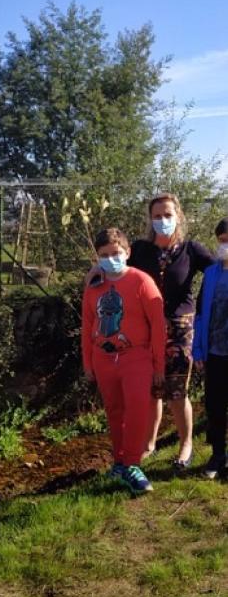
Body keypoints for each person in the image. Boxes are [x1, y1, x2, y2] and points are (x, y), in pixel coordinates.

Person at [128, 193, 213, 468]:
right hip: (146, 329)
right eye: (157, 216)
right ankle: (149, 444)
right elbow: (117, 267)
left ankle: (185, 445)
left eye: (167, 215)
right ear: (150, 219)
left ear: (178, 216)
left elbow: (218, 274)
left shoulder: (192, 250)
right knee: (152, 389)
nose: (162, 220)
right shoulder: (140, 250)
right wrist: (95, 272)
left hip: (180, 330)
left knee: (177, 391)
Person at [82, 228, 166, 493]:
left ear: (127, 252)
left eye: (116, 253)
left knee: (137, 408)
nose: (111, 259)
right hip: (103, 357)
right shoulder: (94, 285)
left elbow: (158, 326)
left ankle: (132, 462)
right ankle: (118, 461)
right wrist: (88, 363)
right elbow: (87, 325)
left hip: (136, 357)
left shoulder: (142, 282)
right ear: (97, 257)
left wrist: (158, 365)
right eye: (104, 255)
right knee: (114, 411)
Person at [191, 217, 228, 480]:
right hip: (215, 353)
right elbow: (200, 313)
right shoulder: (212, 274)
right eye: (222, 241)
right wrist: (198, 349)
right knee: (215, 407)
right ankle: (217, 455)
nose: (225, 246)